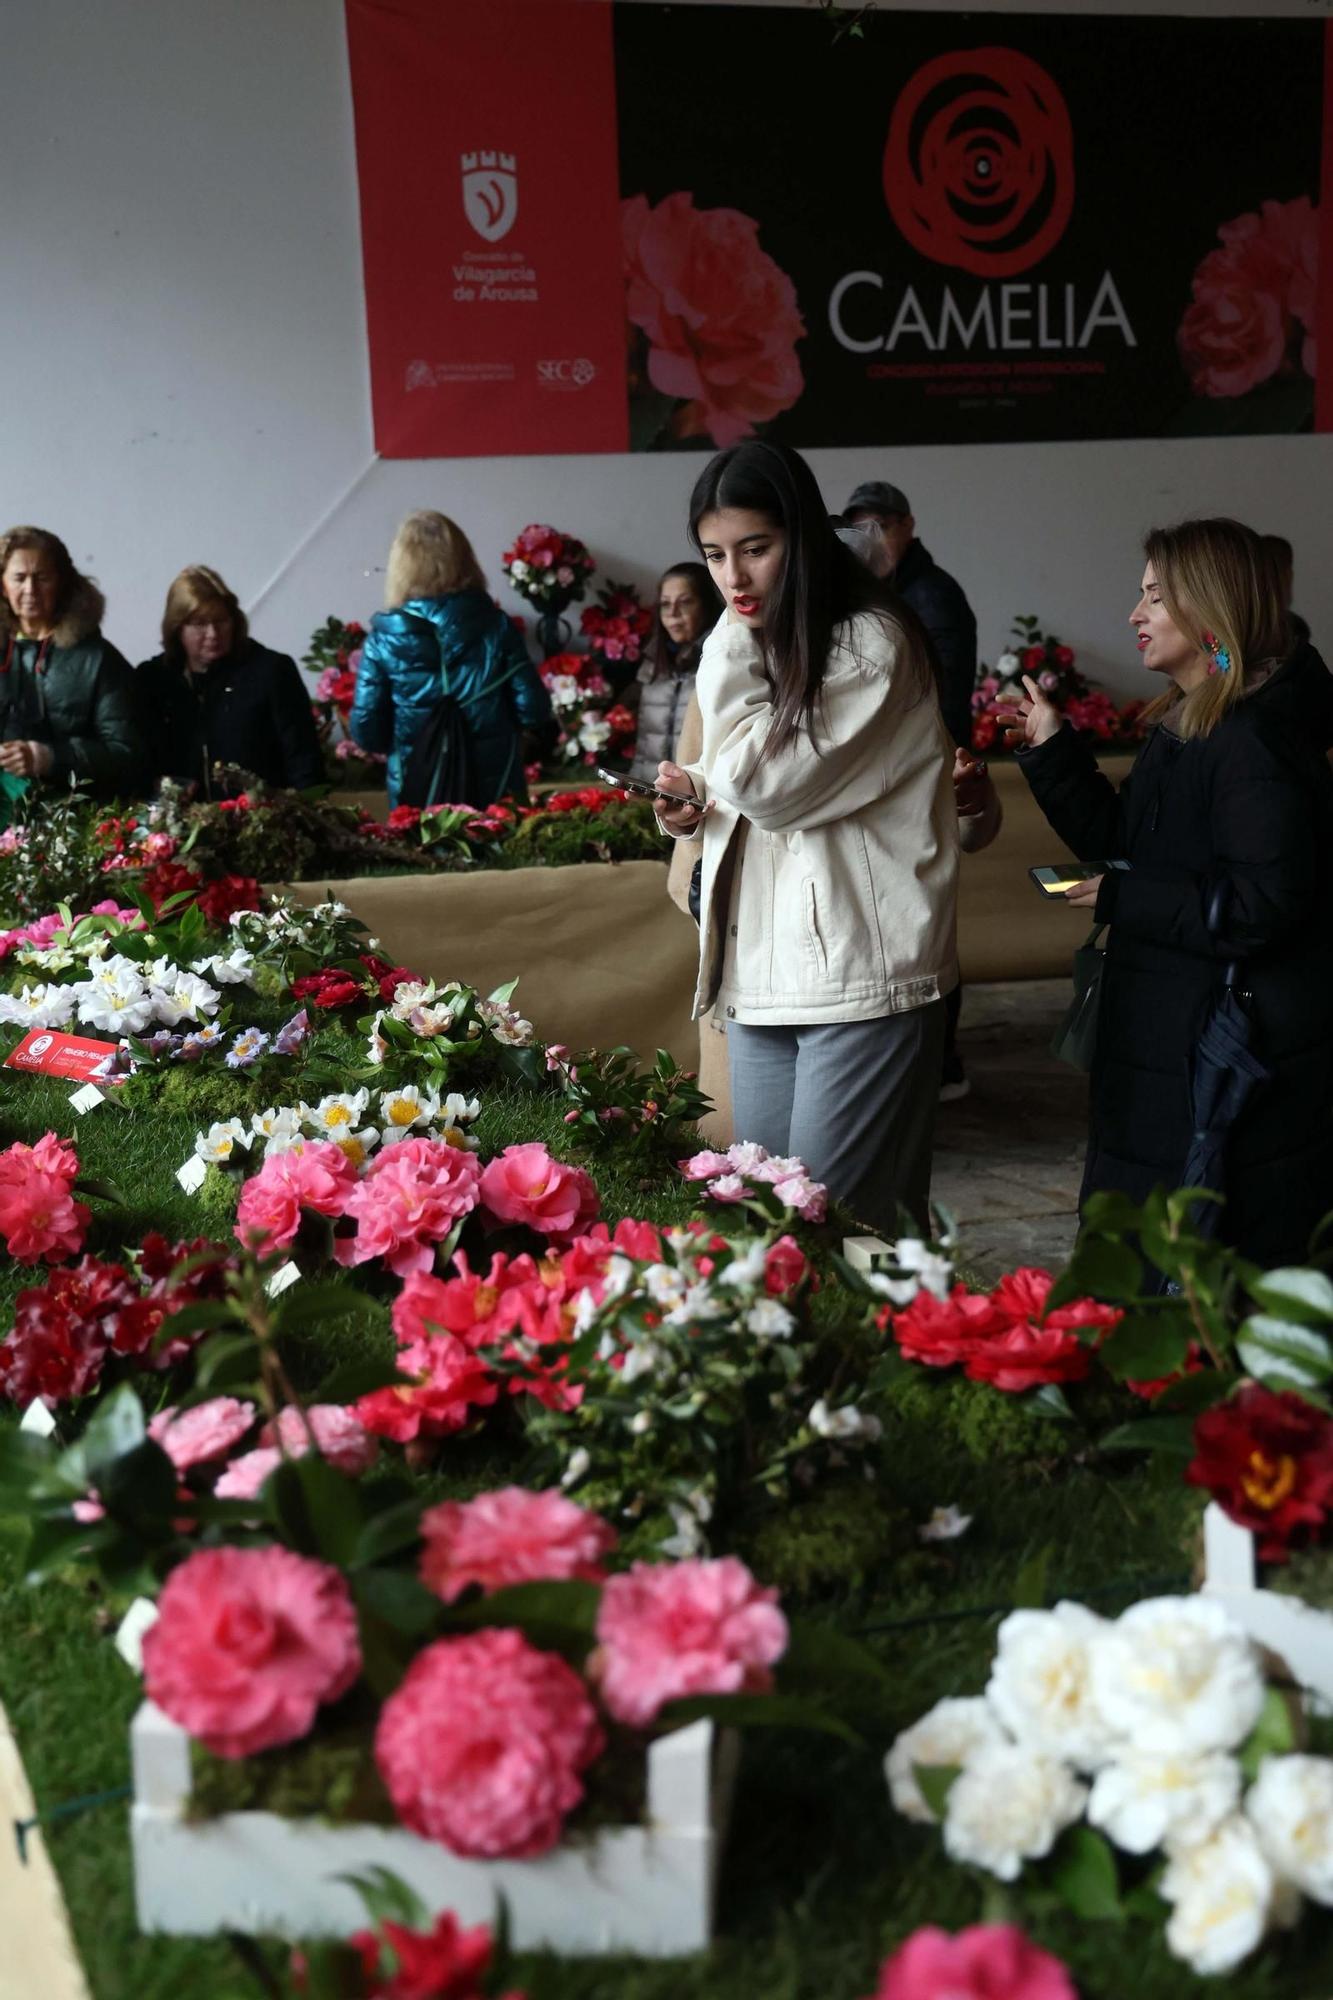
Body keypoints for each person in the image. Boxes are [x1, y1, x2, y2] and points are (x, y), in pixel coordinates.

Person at [1007, 517, 1333, 1268]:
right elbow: (1127, 844)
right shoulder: (1193, 718)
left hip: (1216, 1043)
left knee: (1188, 1267)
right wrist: (1054, 748)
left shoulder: (1248, 740)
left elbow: (1263, 905)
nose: (1134, 615)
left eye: (1154, 596)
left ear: (1207, 608)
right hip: (1170, 1031)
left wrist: (1125, 900)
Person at [654, 441, 959, 1235]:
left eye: (756, 548)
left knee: (834, 1233)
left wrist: (723, 638)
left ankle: (905, 1357)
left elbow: (768, 785)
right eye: (714, 556)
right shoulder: (772, 639)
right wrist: (695, 798)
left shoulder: (869, 643)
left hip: (861, 972)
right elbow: (745, 780)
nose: (733, 577)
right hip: (764, 968)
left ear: (805, 535)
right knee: (767, 1227)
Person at [844, 478, 979, 1100]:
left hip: (929, 769)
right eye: (858, 527)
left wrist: (938, 762)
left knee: (924, 909)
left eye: (881, 525)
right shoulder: (881, 591)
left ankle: (941, 1060)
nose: (870, 538)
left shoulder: (933, 595)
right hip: (895, 774)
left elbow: (940, 696)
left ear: (908, 526)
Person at [351, 510, 553, 809]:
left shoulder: (383, 640)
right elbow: (533, 711)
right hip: (495, 794)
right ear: (465, 559)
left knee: (422, 851)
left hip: (418, 791)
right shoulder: (496, 627)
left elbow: (367, 731)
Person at [138, 566, 323, 798]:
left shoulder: (271, 671)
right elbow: (140, 763)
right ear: (177, 628)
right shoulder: (152, 679)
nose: (213, 633)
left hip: (262, 823)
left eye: (221, 621)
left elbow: (304, 761)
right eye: (199, 624)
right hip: (177, 826)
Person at [0, 525, 144, 799]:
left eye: (41, 577)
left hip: (75, 826)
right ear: (3, 586)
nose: (30, 589)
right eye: (19, 578)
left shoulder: (98, 659)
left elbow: (129, 755)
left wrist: (50, 758)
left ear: (62, 583)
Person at [627, 562, 720, 784]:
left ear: (707, 605)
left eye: (685, 602)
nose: (672, 614)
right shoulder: (653, 666)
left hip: (700, 795)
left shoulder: (719, 664)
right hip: (652, 795)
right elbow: (645, 745)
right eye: (665, 604)